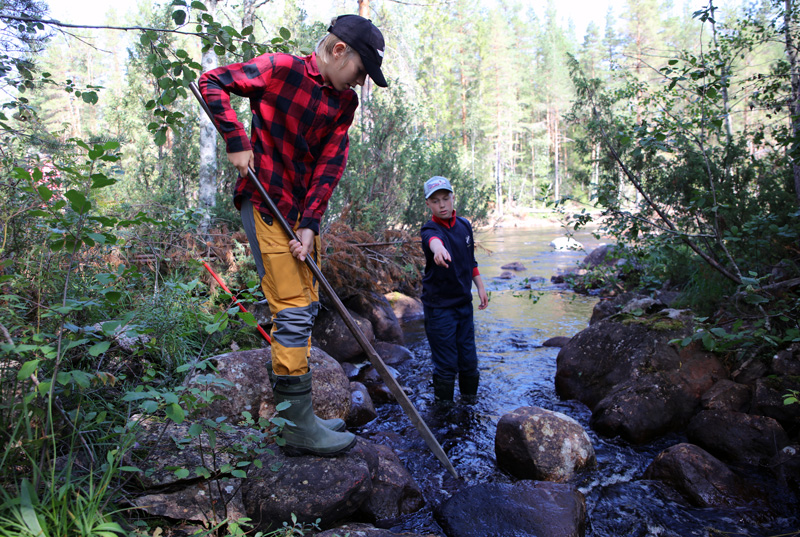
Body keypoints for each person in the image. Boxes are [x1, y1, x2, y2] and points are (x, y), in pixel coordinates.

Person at [198, 14, 388, 457]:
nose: (360, 84)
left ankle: (297, 414)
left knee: (308, 301)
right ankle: (296, 428)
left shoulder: (344, 104)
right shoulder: (279, 68)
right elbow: (211, 82)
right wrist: (235, 138)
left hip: (300, 217)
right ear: (339, 51)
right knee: (293, 309)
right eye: (361, 72)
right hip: (266, 204)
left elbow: (330, 164)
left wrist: (311, 223)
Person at [420, 176, 488, 405]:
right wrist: (438, 250)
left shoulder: (465, 225)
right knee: (447, 364)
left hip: (463, 305)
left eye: (445, 198)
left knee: (469, 362)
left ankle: (470, 407)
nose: (442, 205)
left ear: (452, 197)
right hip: (438, 308)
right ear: (428, 204)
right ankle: (444, 414)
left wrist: (480, 287)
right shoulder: (429, 229)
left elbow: (471, 261)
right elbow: (434, 241)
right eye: (436, 201)